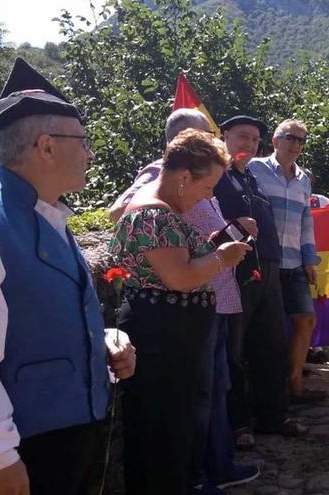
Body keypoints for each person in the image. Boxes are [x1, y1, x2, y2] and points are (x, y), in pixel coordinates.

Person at [0, 58, 135, 494]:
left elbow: (30, 319)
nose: (90, 153)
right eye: (83, 141)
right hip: (15, 458)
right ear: (46, 146)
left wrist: (102, 339)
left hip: (64, 444)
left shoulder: (51, 219)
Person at [109, 109, 260, 492]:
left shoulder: (165, 210)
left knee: (172, 426)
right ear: (182, 178)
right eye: (206, 187)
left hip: (172, 333)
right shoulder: (153, 215)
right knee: (162, 427)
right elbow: (179, 276)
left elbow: (178, 261)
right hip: (161, 337)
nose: (208, 195)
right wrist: (223, 257)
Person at [212, 115, 306, 449]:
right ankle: (238, 424)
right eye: (242, 137)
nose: (248, 144)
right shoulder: (215, 176)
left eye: (254, 139)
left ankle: (273, 416)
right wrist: (234, 226)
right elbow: (201, 220)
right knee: (234, 349)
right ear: (224, 137)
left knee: (271, 343)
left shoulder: (250, 176)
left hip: (267, 268)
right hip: (235, 270)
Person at [248, 119, 323, 404]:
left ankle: (294, 385)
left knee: (305, 320)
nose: (296, 144)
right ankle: (268, 391)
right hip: (263, 261)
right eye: (291, 138)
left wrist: (309, 260)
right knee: (267, 329)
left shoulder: (303, 179)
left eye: (301, 140)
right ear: (275, 141)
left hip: (293, 263)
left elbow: (306, 222)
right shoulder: (255, 169)